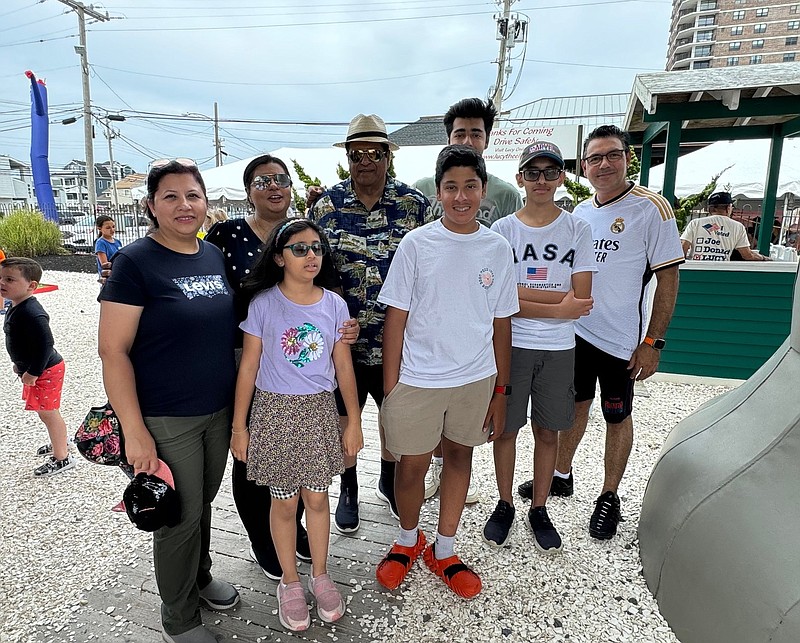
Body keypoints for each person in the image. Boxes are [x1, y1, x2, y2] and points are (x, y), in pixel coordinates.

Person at [517, 125, 684, 541]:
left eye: (612, 155)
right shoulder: (579, 214)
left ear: (628, 158)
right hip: (574, 332)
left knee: (617, 415)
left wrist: (652, 342)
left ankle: (609, 495)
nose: (604, 164)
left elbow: (668, 280)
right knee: (573, 407)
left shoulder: (652, 208)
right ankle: (560, 475)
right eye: (594, 158)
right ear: (584, 166)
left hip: (620, 339)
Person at [99, 159, 239, 643]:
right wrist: (134, 432)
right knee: (176, 520)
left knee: (200, 506)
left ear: (206, 202)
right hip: (165, 416)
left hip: (217, 410)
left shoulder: (212, 256)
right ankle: (178, 621)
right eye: (171, 196)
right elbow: (112, 351)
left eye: (193, 196)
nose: (185, 205)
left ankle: (198, 578)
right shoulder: (135, 262)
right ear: (151, 205)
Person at [205, 154, 359, 580]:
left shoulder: (305, 239)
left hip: (309, 386)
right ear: (249, 189)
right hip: (249, 356)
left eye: (281, 179)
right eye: (262, 181)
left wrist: (345, 332)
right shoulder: (227, 234)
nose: (273, 186)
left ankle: (304, 549)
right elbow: (200, 279)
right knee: (257, 464)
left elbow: (334, 327)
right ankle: (265, 541)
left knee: (311, 487)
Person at [374, 145, 518, 599]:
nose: (461, 197)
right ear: (438, 192)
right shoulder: (417, 243)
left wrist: (501, 391)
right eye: (451, 187)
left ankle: (445, 547)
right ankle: (406, 539)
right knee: (411, 466)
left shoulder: (497, 247)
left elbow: (501, 323)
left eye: (469, 186)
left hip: (475, 379)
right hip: (418, 379)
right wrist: (391, 389)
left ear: (483, 190)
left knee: (460, 457)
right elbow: (395, 319)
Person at [230, 218, 363, 632]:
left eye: (317, 248)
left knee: (318, 500)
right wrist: (240, 426)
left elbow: (343, 366)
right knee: (284, 503)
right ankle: (289, 581)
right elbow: (248, 367)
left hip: (319, 413)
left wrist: (354, 420)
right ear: (278, 257)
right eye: (300, 248)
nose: (311, 255)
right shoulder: (265, 304)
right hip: (274, 415)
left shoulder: (335, 305)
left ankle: (320, 574)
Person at [308, 114, 431, 534]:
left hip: (398, 340)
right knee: (346, 417)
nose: (365, 162)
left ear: (387, 158)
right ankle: (348, 489)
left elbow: (430, 267)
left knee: (393, 416)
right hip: (342, 341)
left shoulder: (414, 205)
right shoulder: (325, 206)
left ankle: (388, 479)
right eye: (356, 154)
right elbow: (313, 270)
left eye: (374, 153)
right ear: (347, 158)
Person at [485, 142, 596, 553]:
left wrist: (521, 300)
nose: (542, 180)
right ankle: (504, 502)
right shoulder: (503, 232)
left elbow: (581, 300)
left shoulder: (577, 229)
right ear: (520, 179)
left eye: (550, 172)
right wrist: (557, 303)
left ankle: (539, 506)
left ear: (562, 177)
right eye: (533, 173)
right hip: (510, 346)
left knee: (548, 429)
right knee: (506, 428)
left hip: (558, 349)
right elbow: (499, 298)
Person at [413, 97, 523, 504]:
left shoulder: (508, 195)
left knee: (466, 412)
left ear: (488, 139)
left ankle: (458, 476)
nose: (469, 138)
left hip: (481, 317)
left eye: (476, 132)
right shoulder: (424, 190)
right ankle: (433, 472)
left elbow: (512, 257)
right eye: (460, 132)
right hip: (433, 322)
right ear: (448, 138)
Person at [1, 257, 74, 477]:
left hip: (45, 370)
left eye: (10, 279)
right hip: (35, 369)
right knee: (47, 412)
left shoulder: (32, 313)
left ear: (31, 285)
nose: (2, 283)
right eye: (1, 278)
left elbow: (45, 344)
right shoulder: (17, 305)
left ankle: (62, 457)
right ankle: (59, 442)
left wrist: (33, 372)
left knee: (48, 413)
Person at [681, 191, 770, 261]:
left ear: (709, 209)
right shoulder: (738, 227)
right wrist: (763, 258)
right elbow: (747, 255)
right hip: (721, 270)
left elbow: (683, 249)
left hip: (696, 270)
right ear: (728, 208)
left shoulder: (695, 223)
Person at [94, 215, 123, 282]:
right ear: (99, 228)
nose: (112, 230)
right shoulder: (101, 243)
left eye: (113, 227)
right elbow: (104, 264)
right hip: (108, 277)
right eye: (108, 228)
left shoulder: (117, 242)